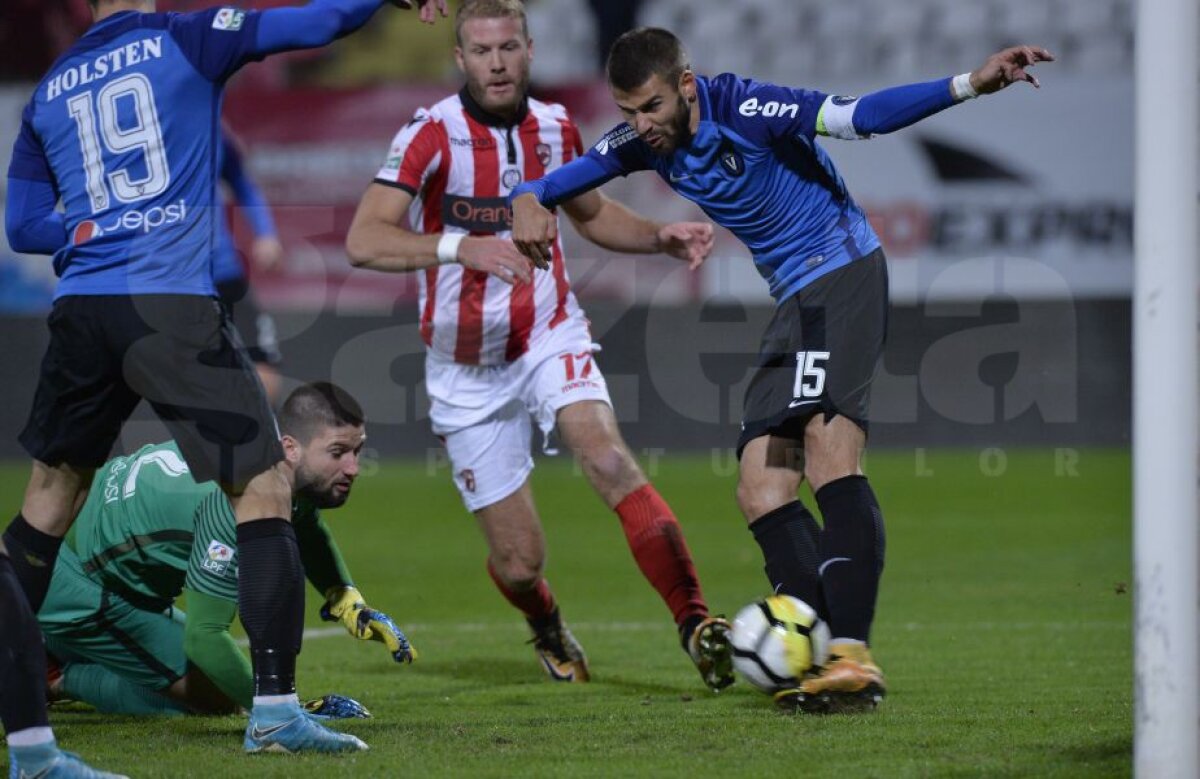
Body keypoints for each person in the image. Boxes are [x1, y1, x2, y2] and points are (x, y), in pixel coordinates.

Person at [510, 28, 1054, 713]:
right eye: (627, 113)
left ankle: (851, 657)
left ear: (685, 84)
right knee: (761, 487)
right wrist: (529, 199)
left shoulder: (750, 108)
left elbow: (859, 118)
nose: (640, 127)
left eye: (650, 107)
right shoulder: (639, 143)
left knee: (831, 454)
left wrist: (970, 84)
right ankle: (814, 649)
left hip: (843, 273)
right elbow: (554, 185)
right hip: (797, 299)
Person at [2, 0, 447, 771]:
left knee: (42, 510)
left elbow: (23, 223)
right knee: (265, 483)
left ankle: (33, 751)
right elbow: (316, 24)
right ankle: (274, 712)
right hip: (168, 300)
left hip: (80, 310)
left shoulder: (49, 89)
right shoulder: (184, 37)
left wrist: (82, 231)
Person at [345, 0, 733, 691]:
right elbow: (364, 239)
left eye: (508, 48)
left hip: (547, 330)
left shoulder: (555, 127)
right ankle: (547, 623)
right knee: (520, 563)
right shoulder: (430, 135)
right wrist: (464, 246)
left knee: (609, 456)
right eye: (482, 51)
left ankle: (698, 624)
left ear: (529, 49)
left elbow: (591, 212)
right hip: (464, 367)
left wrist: (657, 237)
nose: (497, 63)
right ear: (459, 59)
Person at [39, 382, 413, 722]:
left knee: (220, 675)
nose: (354, 468)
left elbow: (307, 525)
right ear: (290, 448)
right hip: (79, 584)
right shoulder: (231, 501)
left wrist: (343, 596)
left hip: (85, 557)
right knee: (215, 699)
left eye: (357, 450)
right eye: (338, 452)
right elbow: (204, 636)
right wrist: (285, 709)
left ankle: (48, 642)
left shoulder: (262, 460)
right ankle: (53, 674)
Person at [214, 125, 286, 403]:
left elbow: (241, 182)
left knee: (263, 365)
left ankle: (256, 442)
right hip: (170, 280)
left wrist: (266, 234)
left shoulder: (214, 131)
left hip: (224, 273)